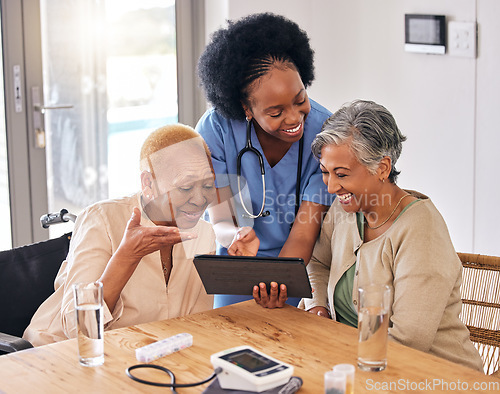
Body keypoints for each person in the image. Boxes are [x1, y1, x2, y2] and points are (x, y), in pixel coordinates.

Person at [302, 99, 483, 371]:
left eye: (341, 174)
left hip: (430, 376)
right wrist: (318, 306)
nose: (330, 187)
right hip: (358, 364)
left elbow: (407, 342)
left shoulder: (421, 231)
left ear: (383, 168)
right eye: (325, 173)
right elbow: (319, 262)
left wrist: (335, 351)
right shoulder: (345, 209)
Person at [23, 124, 225, 346]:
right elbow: (79, 329)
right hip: (57, 356)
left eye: (208, 184)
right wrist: (126, 257)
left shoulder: (203, 234)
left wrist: (241, 272)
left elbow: (194, 326)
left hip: (138, 358)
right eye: (186, 187)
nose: (200, 200)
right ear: (148, 183)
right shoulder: (101, 219)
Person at [196, 13, 335, 308]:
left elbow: (305, 228)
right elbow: (220, 219)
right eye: (276, 112)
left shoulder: (325, 132)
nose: (295, 118)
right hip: (236, 264)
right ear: (246, 108)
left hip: (295, 266)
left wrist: (278, 282)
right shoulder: (216, 130)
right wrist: (236, 235)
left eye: (300, 100)